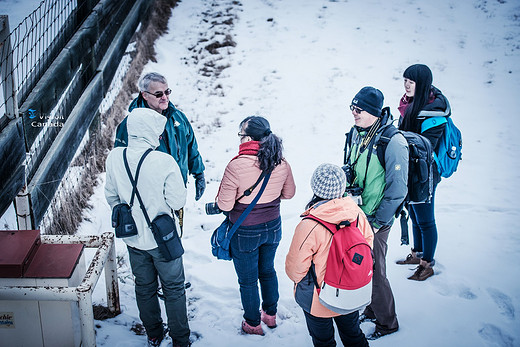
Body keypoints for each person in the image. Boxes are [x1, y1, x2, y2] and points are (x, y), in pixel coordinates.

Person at [105, 108, 191, 347]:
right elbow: (177, 201)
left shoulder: (114, 157)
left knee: (144, 287)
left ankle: (153, 333)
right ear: (151, 132)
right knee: (174, 288)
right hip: (162, 238)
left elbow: (112, 197)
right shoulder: (164, 161)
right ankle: (181, 340)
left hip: (132, 237)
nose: (161, 135)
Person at [214, 116, 296, 335]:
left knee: (248, 280)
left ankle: (252, 323)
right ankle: (269, 315)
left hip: (245, 232)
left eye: (241, 135)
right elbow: (289, 194)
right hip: (273, 227)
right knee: (267, 271)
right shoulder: (281, 162)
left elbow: (225, 204)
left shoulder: (236, 165)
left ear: (248, 138)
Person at [343, 86, 408, 340]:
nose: (354, 113)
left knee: (376, 271)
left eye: (358, 109)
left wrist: (379, 221)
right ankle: (371, 309)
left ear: (373, 111)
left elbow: (398, 189)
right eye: (352, 108)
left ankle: (388, 322)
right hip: (359, 214)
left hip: (377, 218)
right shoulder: (358, 133)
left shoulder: (393, 141)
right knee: (365, 268)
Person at [285, 163, 372, 347]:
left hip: (318, 299)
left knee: (323, 341)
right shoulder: (356, 214)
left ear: (315, 188)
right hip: (350, 292)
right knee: (353, 335)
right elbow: (368, 244)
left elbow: (295, 269)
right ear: (342, 187)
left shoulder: (309, 225)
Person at [114, 72, 206, 202]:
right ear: (144, 95)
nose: (165, 97)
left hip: (177, 189)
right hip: (149, 195)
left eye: (167, 92)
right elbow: (120, 162)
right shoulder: (130, 125)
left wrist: (199, 173)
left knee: (177, 222)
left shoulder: (178, 117)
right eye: (158, 94)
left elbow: (191, 146)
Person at [396, 64, 450, 281]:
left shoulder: (434, 111)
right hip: (411, 168)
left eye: (411, 81)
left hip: (426, 172)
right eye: (405, 80)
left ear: (423, 84)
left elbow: (427, 145)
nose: (407, 85)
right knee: (414, 214)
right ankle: (417, 254)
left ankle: (427, 264)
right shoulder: (409, 104)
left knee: (426, 219)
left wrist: (398, 138)